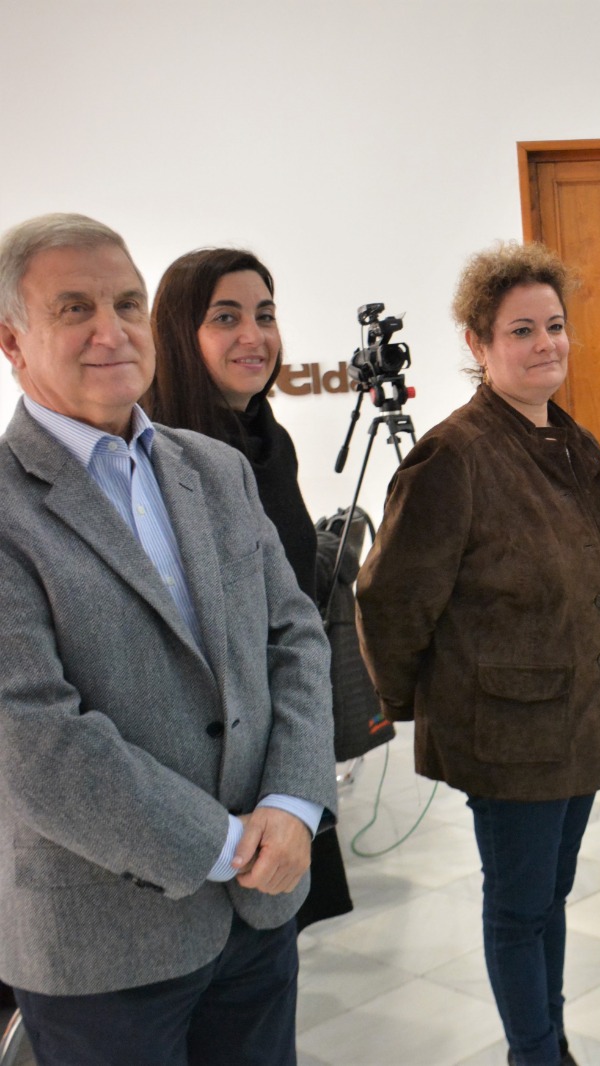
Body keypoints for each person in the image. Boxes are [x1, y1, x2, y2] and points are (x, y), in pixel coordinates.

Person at [0, 213, 335, 1066]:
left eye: (127, 303)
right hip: (106, 944)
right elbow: (31, 735)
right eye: (74, 308)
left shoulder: (212, 468)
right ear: (13, 339)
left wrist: (295, 805)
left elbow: (294, 636)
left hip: (259, 910)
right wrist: (223, 845)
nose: (111, 331)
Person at [356, 241, 600, 1066]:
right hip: (507, 730)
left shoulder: (569, 442)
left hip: (577, 720)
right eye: (522, 331)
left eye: (555, 326)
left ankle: (546, 1038)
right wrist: (417, 702)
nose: (546, 343)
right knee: (519, 907)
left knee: (549, 898)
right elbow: (388, 596)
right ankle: (535, 1053)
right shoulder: (455, 454)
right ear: (478, 345)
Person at [145, 246, 354, 931]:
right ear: (179, 333)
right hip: (212, 760)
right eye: (225, 317)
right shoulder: (163, 453)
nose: (253, 336)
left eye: (264, 314)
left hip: (282, 731)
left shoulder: (269, 438)